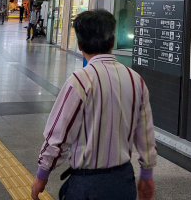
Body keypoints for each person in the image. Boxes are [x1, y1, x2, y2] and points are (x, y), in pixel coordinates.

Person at [30, 10, 156, 200]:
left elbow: (58, 135)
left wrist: (42, 175)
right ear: (113, 41)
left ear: (79, 45)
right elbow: (145, 133)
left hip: (87, 185)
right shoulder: (135, 80)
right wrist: (146, 175)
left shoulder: (80, 81)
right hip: (123, 181)